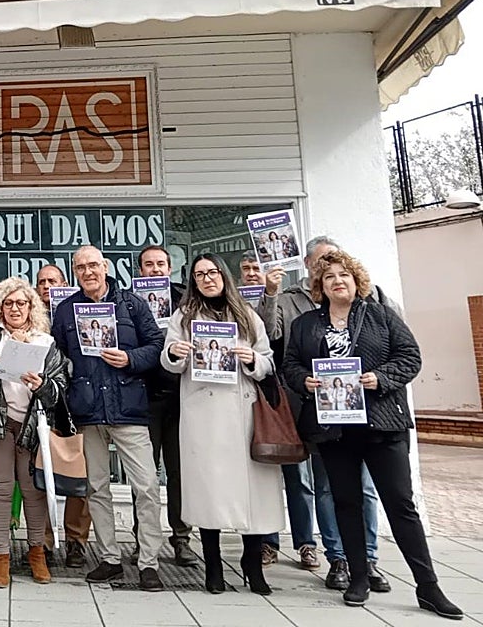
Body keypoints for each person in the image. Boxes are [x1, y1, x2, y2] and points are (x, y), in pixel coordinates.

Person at [282, 250, 459, 617]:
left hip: (382, 426)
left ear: (356, 279)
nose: (337, 281)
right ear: (320, 286)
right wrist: (305, 381)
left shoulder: (380, 315)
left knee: (400, 505)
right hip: (335, 428)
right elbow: (291, 365)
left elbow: (410, 357)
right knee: (345, 503)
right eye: (329, 277)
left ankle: (428, 586)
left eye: (343, 275)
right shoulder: (306, 325)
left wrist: (381, 378)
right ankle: (358, 577)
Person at [259, 236, 387, 589]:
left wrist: (380, 379)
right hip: (314, 410)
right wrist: (270, 294)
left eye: (336, 266)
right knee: (324, 486)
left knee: (364, 488)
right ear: (308, 265)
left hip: (366, 411)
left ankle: (370, 558)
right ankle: (337, 557)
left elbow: (399, 351)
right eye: (321, 265)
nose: (329, 273)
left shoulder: (373, 301)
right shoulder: (291, 303)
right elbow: (274, 343)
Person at [162, 254, 281, 596]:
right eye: (199, 275)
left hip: (242, 412)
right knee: (208, 493)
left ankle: (252, 562)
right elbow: (168, 361)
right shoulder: (183, 317)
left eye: (212, 272)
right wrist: (176, 353)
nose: (207, 279)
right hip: (204, 415)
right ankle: (212, 566)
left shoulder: (246, 314)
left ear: (223, 276)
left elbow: (268, 359)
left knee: (251, 494)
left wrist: (253, 360)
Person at [52, 245, 165, 591]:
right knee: (96, 487)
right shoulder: (67, 310)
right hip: (87, 411)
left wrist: (130, 359)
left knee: (145, 486)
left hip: (128, 408)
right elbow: (58, 356)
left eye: (93, 265)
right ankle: (110, 558)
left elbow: (157, 346)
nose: (88, 272)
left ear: (105, 267)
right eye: (81, 267)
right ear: (75, 272)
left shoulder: (131, 304)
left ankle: (149, 562)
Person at [0, 276, 68, 588]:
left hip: (33, 424)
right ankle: (1, 558)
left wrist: (43, 385)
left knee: (32, 490)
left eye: (20, 303)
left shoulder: (44, 341)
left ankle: (36, 553)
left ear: (31, 307)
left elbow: (61, 386)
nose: (14, 309)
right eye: (8, 303)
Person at [34, 264, 93, 569]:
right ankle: (43, 539)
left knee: (76, 470)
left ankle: (76, 541)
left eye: (52, 281)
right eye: (42, 282)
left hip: (77, 399)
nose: (46, 286)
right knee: (42, 472)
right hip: (43, 401)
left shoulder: (76, 310)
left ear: (64, 284)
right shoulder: (31, 316)